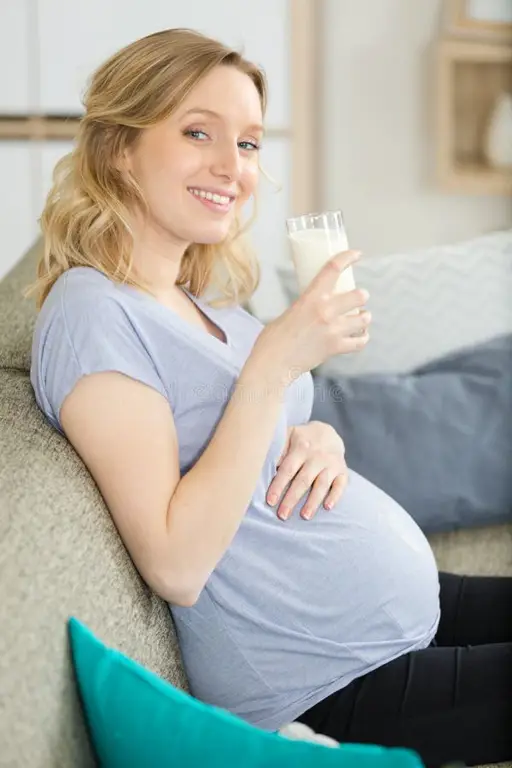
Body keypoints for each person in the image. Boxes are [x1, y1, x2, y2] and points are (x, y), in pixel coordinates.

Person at [26, 28, 511, 768]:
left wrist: (322, 438)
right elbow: (176, 563)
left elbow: (250, 441)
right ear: (120, 147)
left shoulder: (201, 303)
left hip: (392, 618)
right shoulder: (93, 314)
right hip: (325, 678)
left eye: (249, 144)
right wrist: (274, 364)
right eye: (198, 133)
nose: (233, 167)